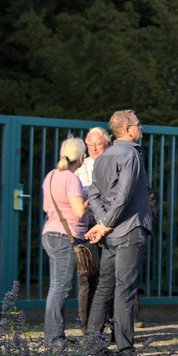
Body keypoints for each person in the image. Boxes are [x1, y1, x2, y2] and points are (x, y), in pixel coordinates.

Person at [85, 110, 152, 353]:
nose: (141, 127)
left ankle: (92, 345)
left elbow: (93, 194)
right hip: (128, 229)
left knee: (105, 286)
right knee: (125, 288)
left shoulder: (103, 157)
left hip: (110, 233)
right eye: (138, 124)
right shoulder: (131, 155)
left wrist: (103, 221)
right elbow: (123, 196)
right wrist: (107, 223)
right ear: (127, 129)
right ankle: (124, 349)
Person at [42, 137, 89, 343]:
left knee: (56, 286)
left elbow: (46, 207)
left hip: (50, 233)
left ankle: (54, 334)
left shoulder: (51, 176)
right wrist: (92, 197)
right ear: (80, 157)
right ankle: (53, 337)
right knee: (60, 287)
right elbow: (79, 211)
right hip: (65, 236)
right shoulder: (71, 179)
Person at [75, 127, 111, 329]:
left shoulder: (113, 163)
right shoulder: (81, 168)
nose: (94, 148)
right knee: (87, 276)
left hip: (111, 226)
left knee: (112, 275)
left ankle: (114, 324)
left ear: (106, 144)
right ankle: (86, 324)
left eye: (98, 143)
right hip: (87, 226)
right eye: (90, 144)